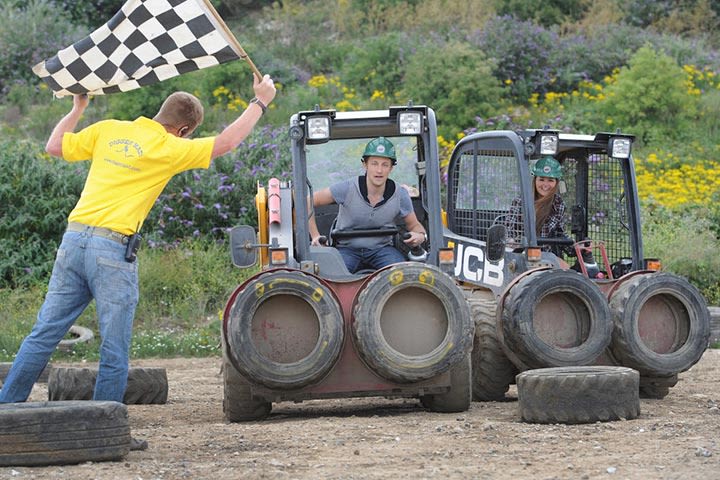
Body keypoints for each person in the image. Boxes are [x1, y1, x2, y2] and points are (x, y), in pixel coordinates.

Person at [0, 74, 276, 412]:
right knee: (114, 347)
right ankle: (104, 425)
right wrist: (259, 102)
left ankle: (6, 410)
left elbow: (54, 146)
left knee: (43, 334)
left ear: (159, 113)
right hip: (112, 249)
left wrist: (78, 107)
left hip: (73, 240)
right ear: (183, 130)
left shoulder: (109, 128)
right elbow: (227, 143)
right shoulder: (169, 147)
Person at [308, 137, 427, 273]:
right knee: (333, 276)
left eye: (385, 165)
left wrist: (420, 235)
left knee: (402, 275)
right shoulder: (346, 188)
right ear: (365, 165)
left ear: (391, 168)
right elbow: (307, 202)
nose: (379, 170)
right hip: (347, 250)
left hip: (382, 250)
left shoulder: (400, 194)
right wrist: (315, 236)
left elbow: (414, 225)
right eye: (374, 164)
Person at [506, 156, 567, 247]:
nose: (545, 185)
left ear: (556, 183)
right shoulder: (521, 201)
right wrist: (512, 242)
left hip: (548, 255)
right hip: (523, 253)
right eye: (541, 179)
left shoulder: (558, 203)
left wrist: (576, 247)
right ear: (534, 180)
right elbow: (509, 230)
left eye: (550, 180)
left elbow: (560, 234)